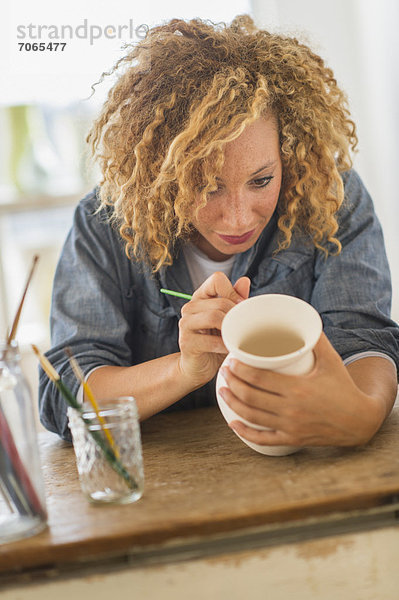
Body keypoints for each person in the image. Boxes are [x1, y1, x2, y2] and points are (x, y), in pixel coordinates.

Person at [39, 15, 399, 447]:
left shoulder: (328, 195)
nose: (239, 219)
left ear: (288, 151)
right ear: (162, 172)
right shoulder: (105, 224)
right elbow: (66, 394)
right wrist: (184, 369)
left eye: (261, 181)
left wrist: (363, 414)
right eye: (207, 187)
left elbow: (364, 342)